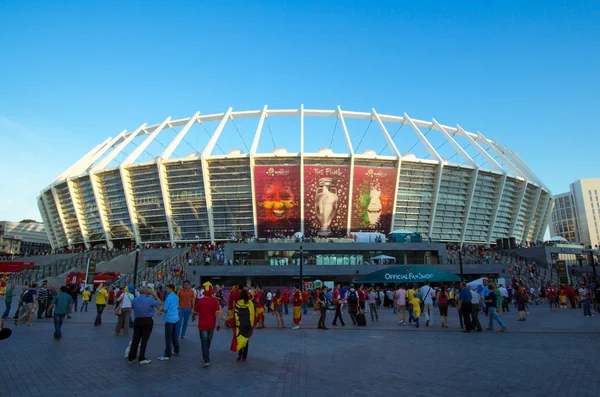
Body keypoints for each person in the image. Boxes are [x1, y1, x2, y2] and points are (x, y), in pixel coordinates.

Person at [128, 286, 161, 365]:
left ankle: (131, 357)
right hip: (147, 320)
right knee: (144, 340)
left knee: (135, 339)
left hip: (137, 320)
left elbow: (133, 307)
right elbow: (159, 303)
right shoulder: (150, 300)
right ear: (146, 292)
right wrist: (155, 295)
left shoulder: (135, 300)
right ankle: (141, 358)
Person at [193, 282, 221, 368]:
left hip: (202, 325)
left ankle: (206, 358)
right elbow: (218, 314)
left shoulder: (200, 301)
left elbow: (195, 311)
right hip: (211, 324)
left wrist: (193, 317)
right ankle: (206, 355)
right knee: (208, 341)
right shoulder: (214, 301)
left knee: (204, 342)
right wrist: (219, 324)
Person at [230, 289, 255, 362]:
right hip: (247, 324)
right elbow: (253, 314)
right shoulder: (250, 303)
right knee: (246, 340)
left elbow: (235, 313)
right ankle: (244, 356)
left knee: (239, 338)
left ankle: (240, 354)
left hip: (239, 324)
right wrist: (252, 324)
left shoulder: (238, 303)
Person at [159, 284, 180, 361]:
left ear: (171, 289)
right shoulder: (176, 297)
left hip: (169, 318)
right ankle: (176, 350)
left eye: (167, 289)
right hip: (175, 317)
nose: (166, 290)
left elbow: (165, 309)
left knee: (168, 337)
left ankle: (167, 354)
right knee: (174, 335)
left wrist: (161, 309)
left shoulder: (169, 297)